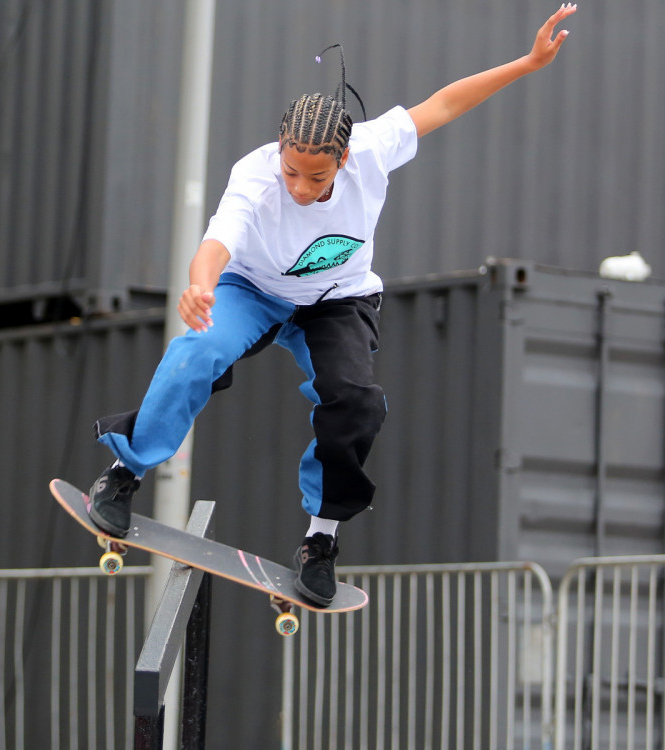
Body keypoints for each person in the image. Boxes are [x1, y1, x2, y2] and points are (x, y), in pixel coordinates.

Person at [86, 4, 577, 606]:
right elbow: (217, 240)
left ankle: (320, 540)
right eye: (292, 172)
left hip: (337, 300)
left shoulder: (372, 149)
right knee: (198, 352)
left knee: (356, 402)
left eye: (314, 179)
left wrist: (528, 63)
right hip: (252, 290)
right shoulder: (256, 175)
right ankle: (125, 471)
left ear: (341, 162)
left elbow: (444, 104)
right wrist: (200, 284)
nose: (299, 187)